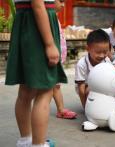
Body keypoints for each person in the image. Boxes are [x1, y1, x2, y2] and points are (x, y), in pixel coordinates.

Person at [5, 0, 67, 147]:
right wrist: (50, 44)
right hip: (37, 27)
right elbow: (38, 5)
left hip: (26, 22)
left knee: (25, 90)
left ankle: (25, 141)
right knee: (46, 90)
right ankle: (38, 144)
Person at [75, 29, 111, 109]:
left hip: (101, 84)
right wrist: (85, 107)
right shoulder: (81, 64)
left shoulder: (106, 61)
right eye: (98, 52)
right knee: (89, 90)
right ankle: (90, 107)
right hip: (86, 87)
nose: (102, 56)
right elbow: (81, 89)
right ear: (88, 49)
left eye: (105, 52)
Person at [53, 0, 77, 119]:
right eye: (60, 1)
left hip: (57, 59)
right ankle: (43, 109)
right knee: (48, 88)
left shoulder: (54, 17)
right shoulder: (48, 18)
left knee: (55, 86)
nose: (63, 5)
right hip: (51, 59)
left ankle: (60, 109)